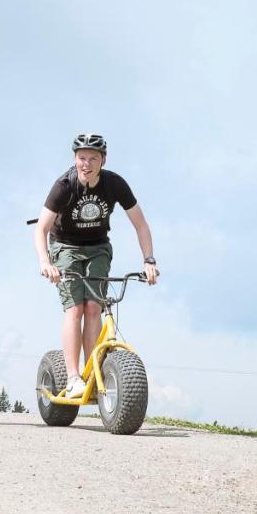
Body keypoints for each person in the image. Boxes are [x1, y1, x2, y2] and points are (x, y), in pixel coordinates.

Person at [33, 133, 158, 398]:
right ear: (74, 160)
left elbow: (141, 224)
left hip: (99, 248)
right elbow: (41, 229)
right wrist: (45, 262)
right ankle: (73, 377)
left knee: (93, 307)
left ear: (104, 160)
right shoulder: (64, 185)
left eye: (92, 158)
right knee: (75, 308)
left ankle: (93, 374)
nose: (86, 164)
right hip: (65, 247)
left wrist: (149, 260)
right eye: (81, 158)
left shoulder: (115, 184)